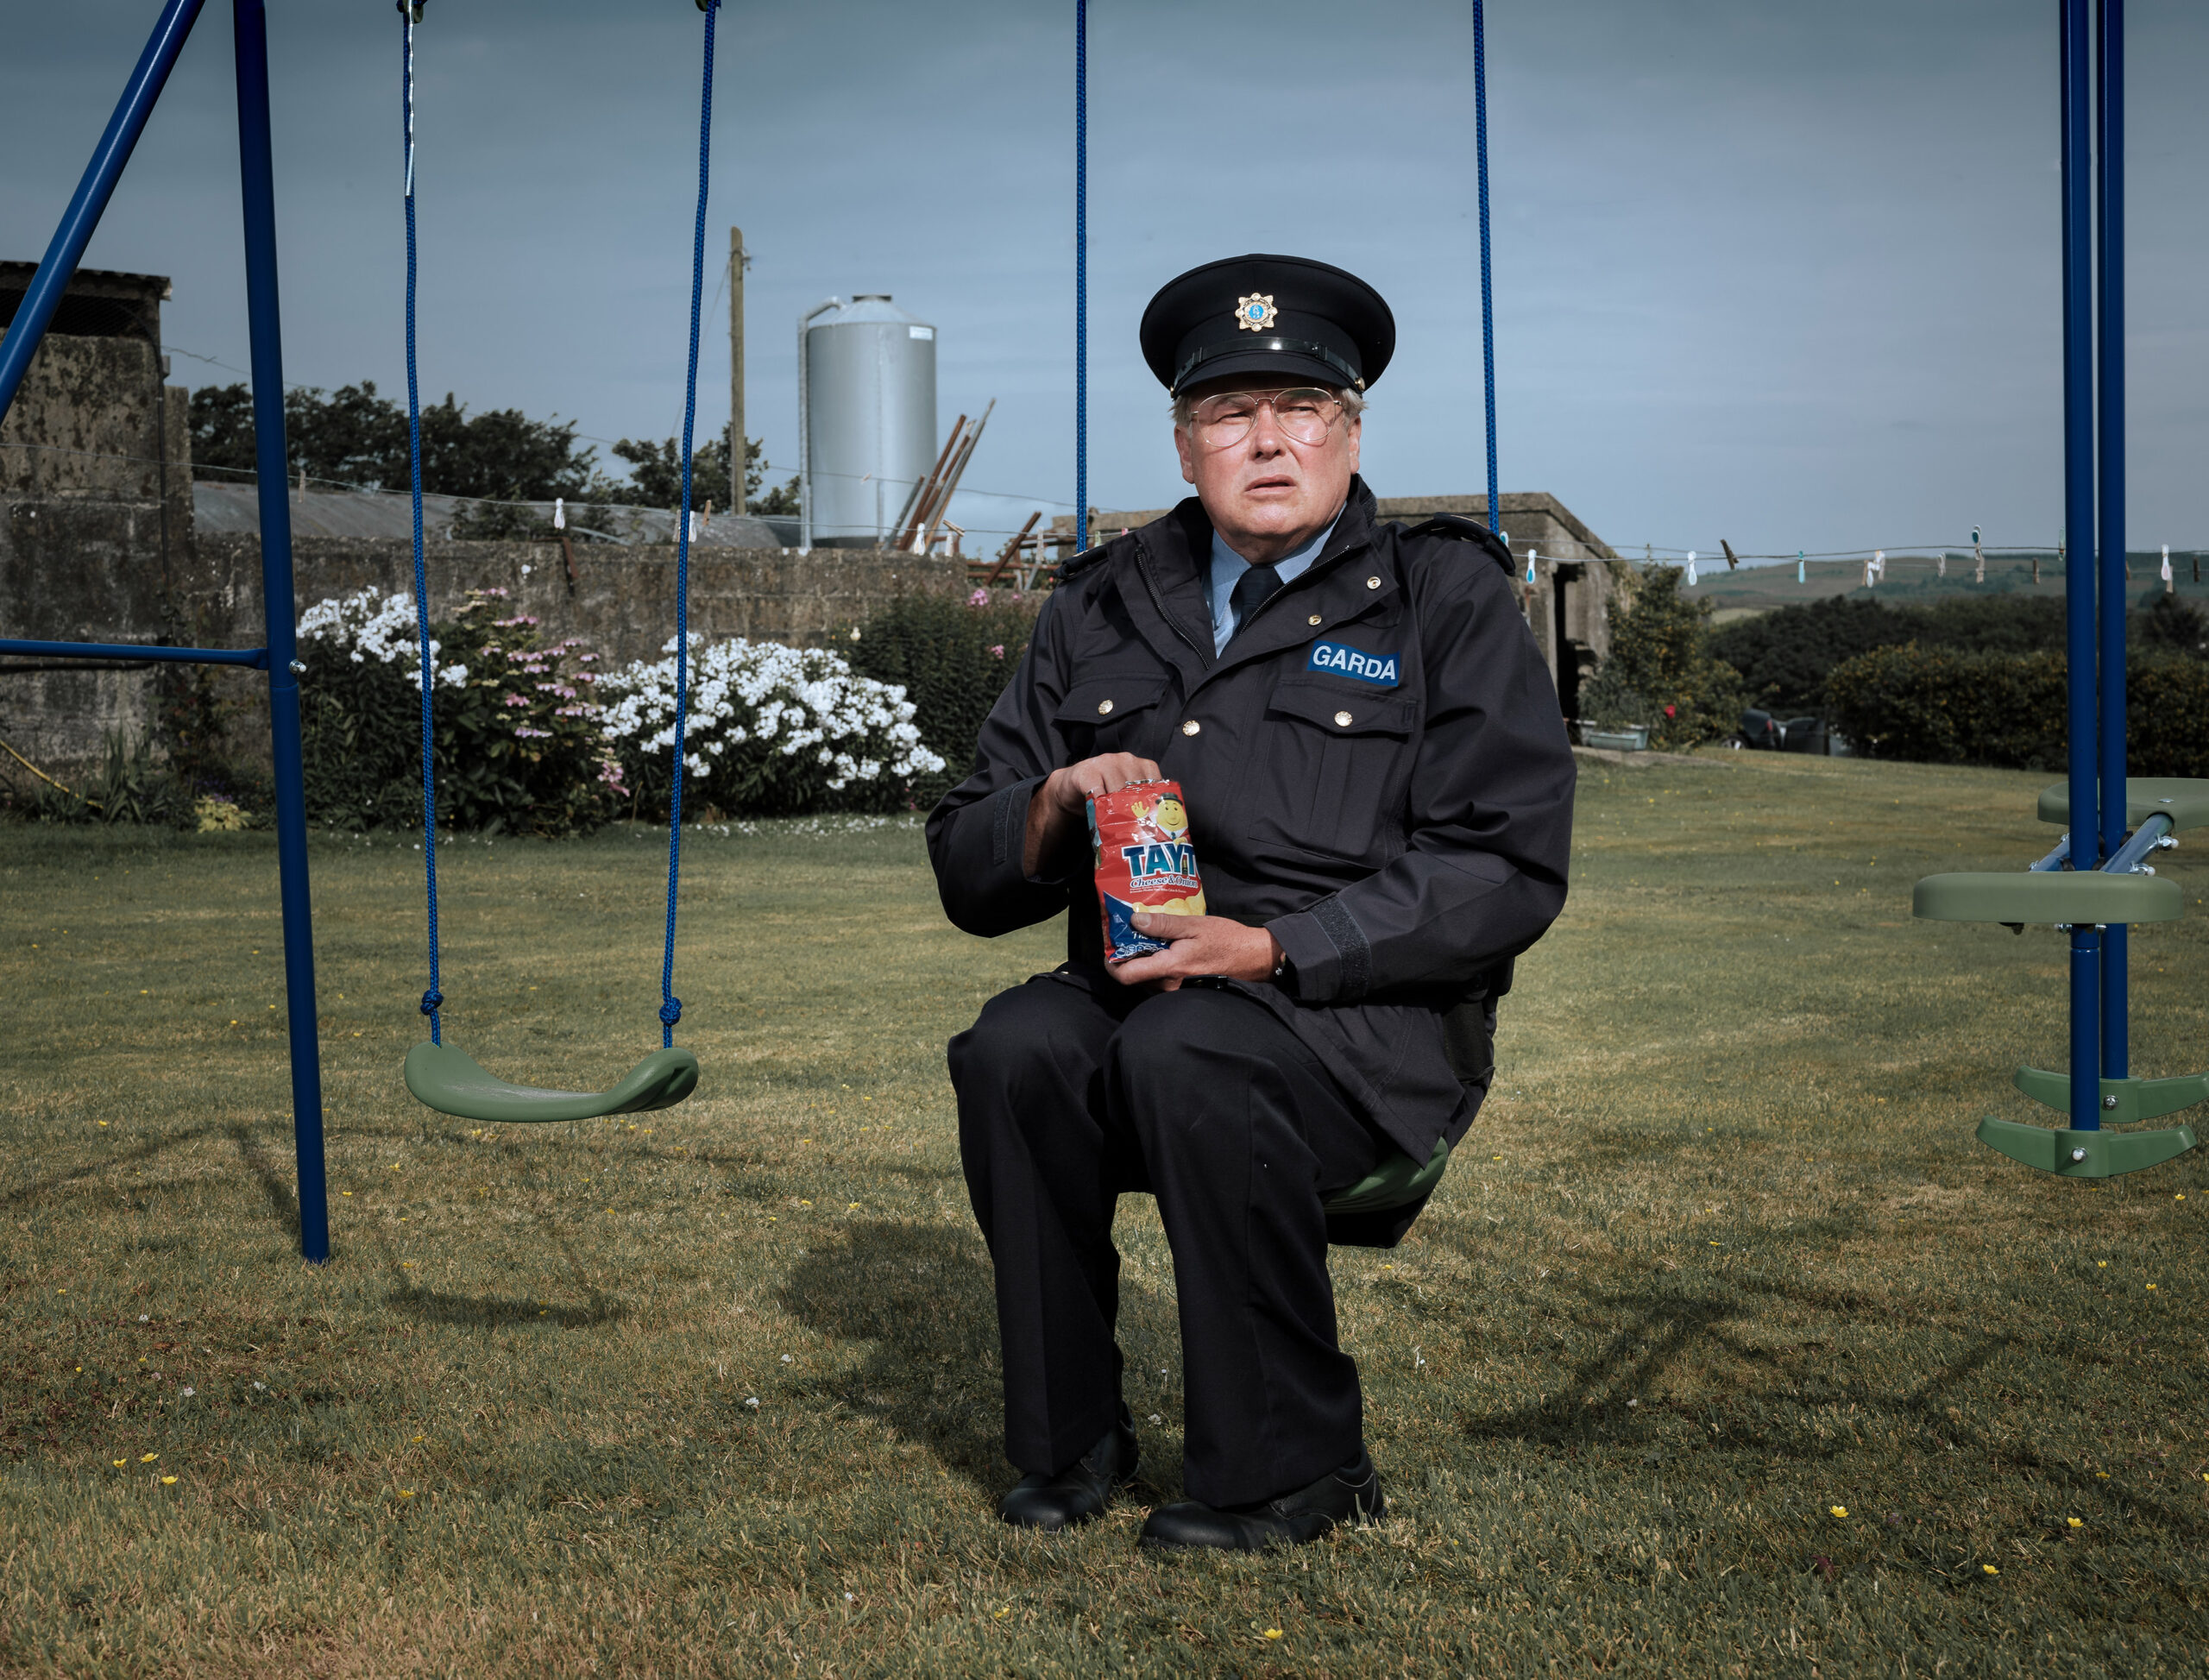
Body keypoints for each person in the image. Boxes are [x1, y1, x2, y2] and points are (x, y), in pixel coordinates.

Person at [926, 254, 1575, 1551]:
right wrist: (1050, 806)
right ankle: (1071, 1444)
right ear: (1184, 444)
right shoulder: (1101, 601)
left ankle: (1295, 1471)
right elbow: (966, 861)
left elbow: (1506, 863)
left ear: (1349, 431)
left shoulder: (1441, 596)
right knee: (1017, 1046)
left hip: (1359, 1027)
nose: (1269, 440)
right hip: (1143, 996)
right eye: (1230, 413)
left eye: (1304, 410)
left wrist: (1278, 944)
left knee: (1189, 1045)